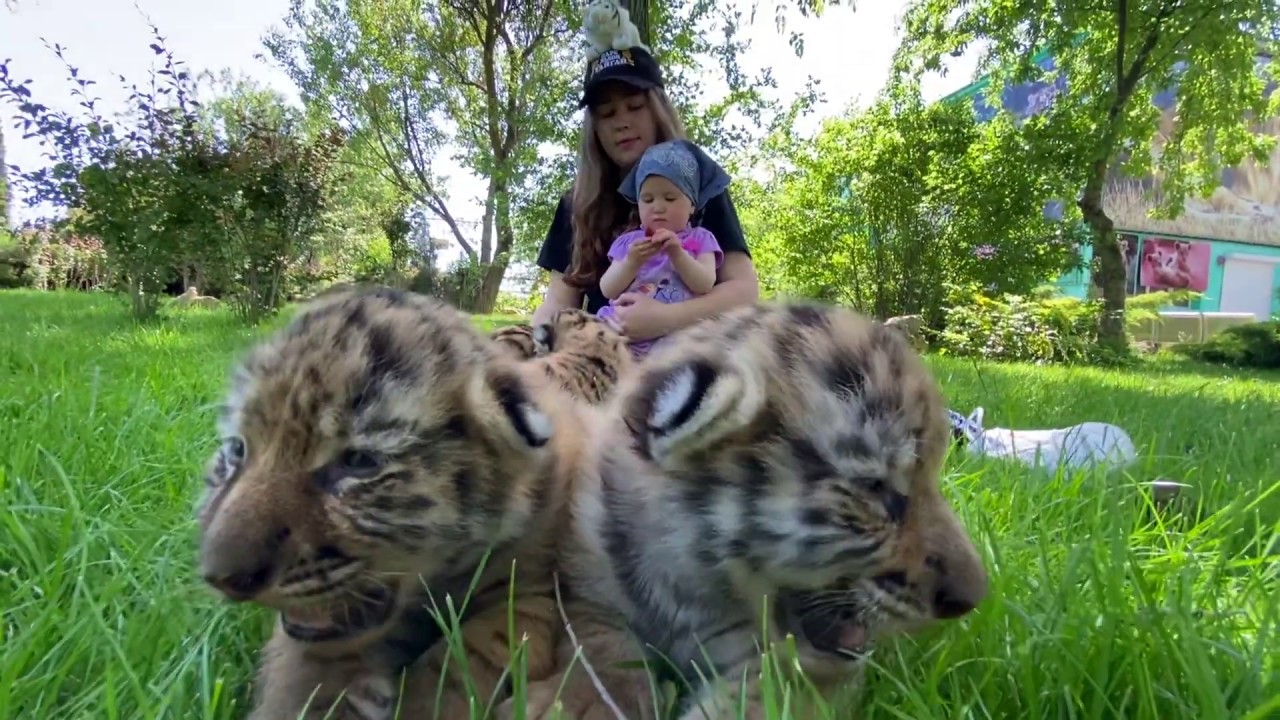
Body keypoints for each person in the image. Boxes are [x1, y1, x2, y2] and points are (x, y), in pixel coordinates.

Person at [529, 25, 759, 342]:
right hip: (607, 359)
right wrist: (530, 344)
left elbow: (744, 291)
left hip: (689, 356)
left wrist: (666, 318)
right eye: (607, 113)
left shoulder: (701, 188)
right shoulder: (576, 204)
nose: (622, 122)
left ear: (657, 111)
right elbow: (558, 301)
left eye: (635, 107)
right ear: (594, 128)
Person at [597, 138, 730, 357]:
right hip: (621, 328)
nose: (658, 207)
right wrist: (631, 263)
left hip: (675, 336)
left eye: (670, 198)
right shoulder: (630, 242)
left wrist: (678, 255)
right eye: (647, 200)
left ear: (692, 205)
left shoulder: (699, 240)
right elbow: (607, 288)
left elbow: (705, 283)